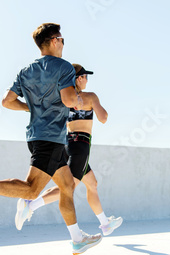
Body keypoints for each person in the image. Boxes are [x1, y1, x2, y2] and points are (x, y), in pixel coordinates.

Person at [0, 23, 102, 255]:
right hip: (49, 137)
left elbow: (6, 101)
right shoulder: (64, 67)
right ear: (53, 40)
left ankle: (77, 238)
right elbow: (70, 100)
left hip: (42, 136)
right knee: (31, 190)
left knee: (68, 186)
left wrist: (31, 108)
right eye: (61, 39)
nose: (63, 43)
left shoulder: (26, 70)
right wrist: (78, 101)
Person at [15, 64, 123, 236]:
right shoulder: (90, 96)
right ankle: (31, 205)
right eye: (86, 77)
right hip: (81, 145)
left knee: (92, 184)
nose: (87, 80)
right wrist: (96, 106)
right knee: (69, 187)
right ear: (79, 78)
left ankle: (105, 223)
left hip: (66, 143)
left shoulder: (63, 97)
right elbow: (103, 118)